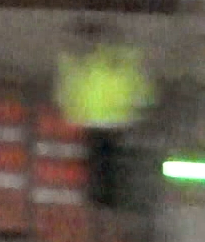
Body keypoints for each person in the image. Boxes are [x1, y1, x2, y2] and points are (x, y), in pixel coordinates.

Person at [53, 17, 155, 225]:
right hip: (112, 120)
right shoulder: (118, 59)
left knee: (103, 168)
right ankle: (108, 209)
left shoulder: (91, 60)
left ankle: (105, 209)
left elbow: (70, 85)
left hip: (102, 120)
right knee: (107, 168)